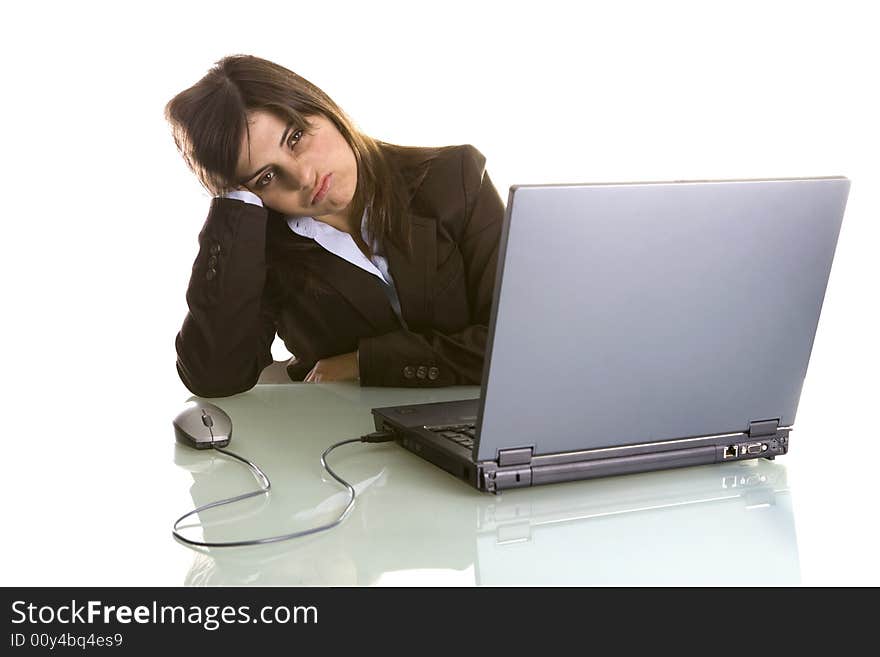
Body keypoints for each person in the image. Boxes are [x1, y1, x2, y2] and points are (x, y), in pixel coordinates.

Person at [165, 54, 505, 397]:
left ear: (320, 106)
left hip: (480, 429)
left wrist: (362, 362)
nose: (303, 177)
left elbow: (513, 339)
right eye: (266, 176)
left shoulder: (453, 178)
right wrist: (231, 201)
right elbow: (215, 377)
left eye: (295, 137)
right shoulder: (261, 250)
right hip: (345, 440)